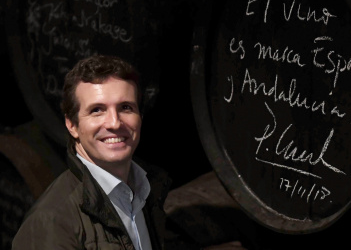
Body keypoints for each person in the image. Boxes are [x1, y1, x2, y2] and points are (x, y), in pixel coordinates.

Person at [12, 55, 246, 250]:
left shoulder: (144, 190)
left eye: (125, 108)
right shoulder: (51, 222)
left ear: (140, 117)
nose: (114, 123)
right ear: (72, 125)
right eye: (97, 110)